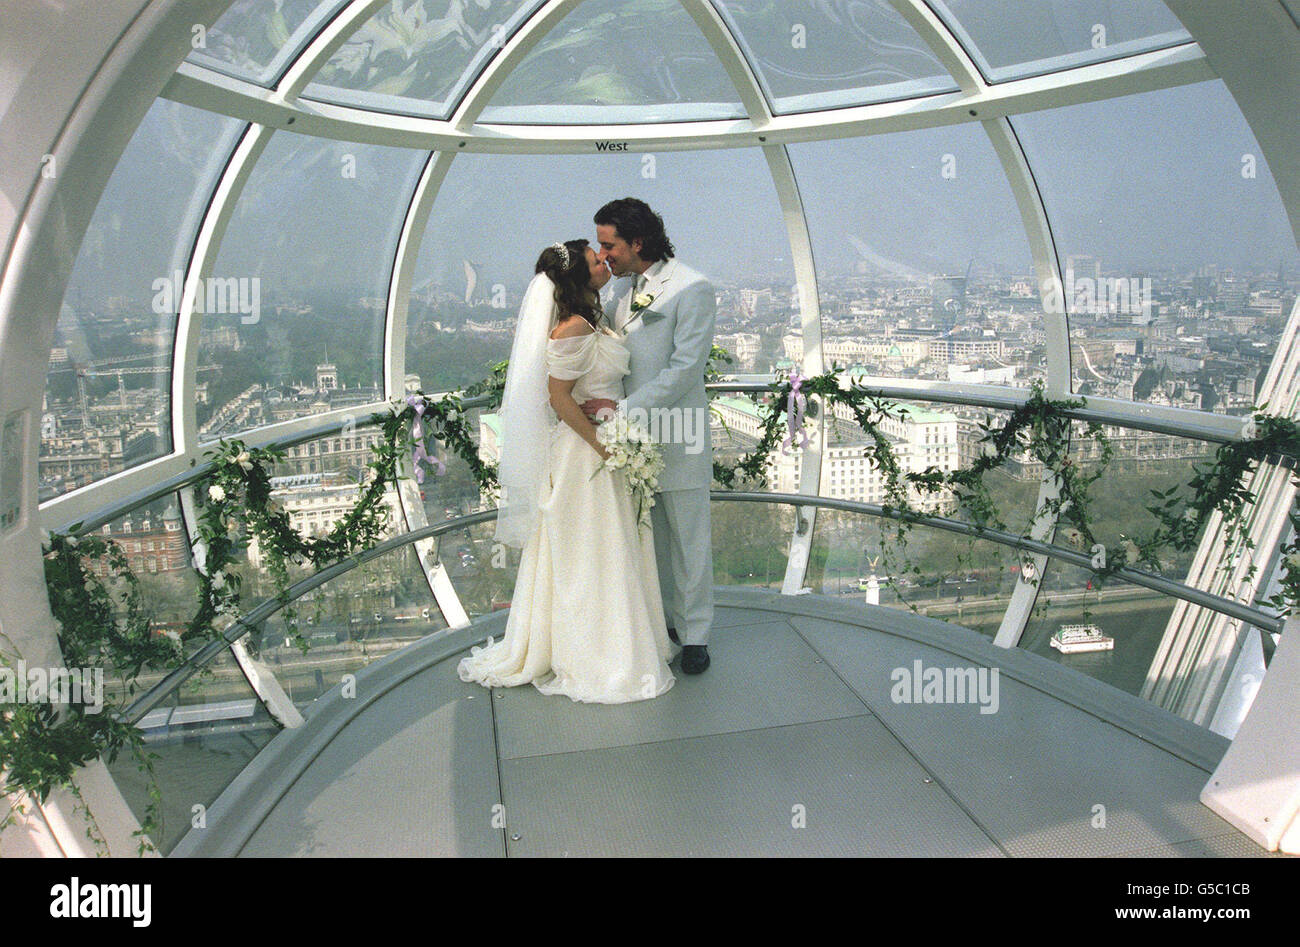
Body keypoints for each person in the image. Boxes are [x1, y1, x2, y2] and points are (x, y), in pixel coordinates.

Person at [456, 239, 679, 703]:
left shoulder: (590, 318)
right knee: (593, 553)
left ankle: (616, 644)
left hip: (602, 445)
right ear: (579, 277)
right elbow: (559, 399)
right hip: (586, 454)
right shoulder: (573, 327)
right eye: (596, 260)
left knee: (607, 548)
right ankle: (601, 655)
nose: (605, 261)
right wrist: (604, 446)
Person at [583, 198, 716, 674]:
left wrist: (621, 410)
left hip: (680, 439)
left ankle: (697, 635)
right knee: (653, 539)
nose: (604, 256)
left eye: (609, 244)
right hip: (634, 442)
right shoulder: (626, 295)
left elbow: (684, 370)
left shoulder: (692, 288)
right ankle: (666, 625)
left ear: (637, 242)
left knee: (689, 540)